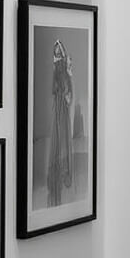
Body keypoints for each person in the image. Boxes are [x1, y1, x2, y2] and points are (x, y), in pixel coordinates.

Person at [47, 39, 73, 207]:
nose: (57, 54)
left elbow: (66, 89)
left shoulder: (63, 69)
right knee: (58, 135)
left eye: (59, 51)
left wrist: (64, 94)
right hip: (58, 106)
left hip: (61, 107)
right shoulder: (57, 69)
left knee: (62, 134)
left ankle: (64, 170)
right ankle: (59, 168)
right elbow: (55, 89)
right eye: (55, 52)